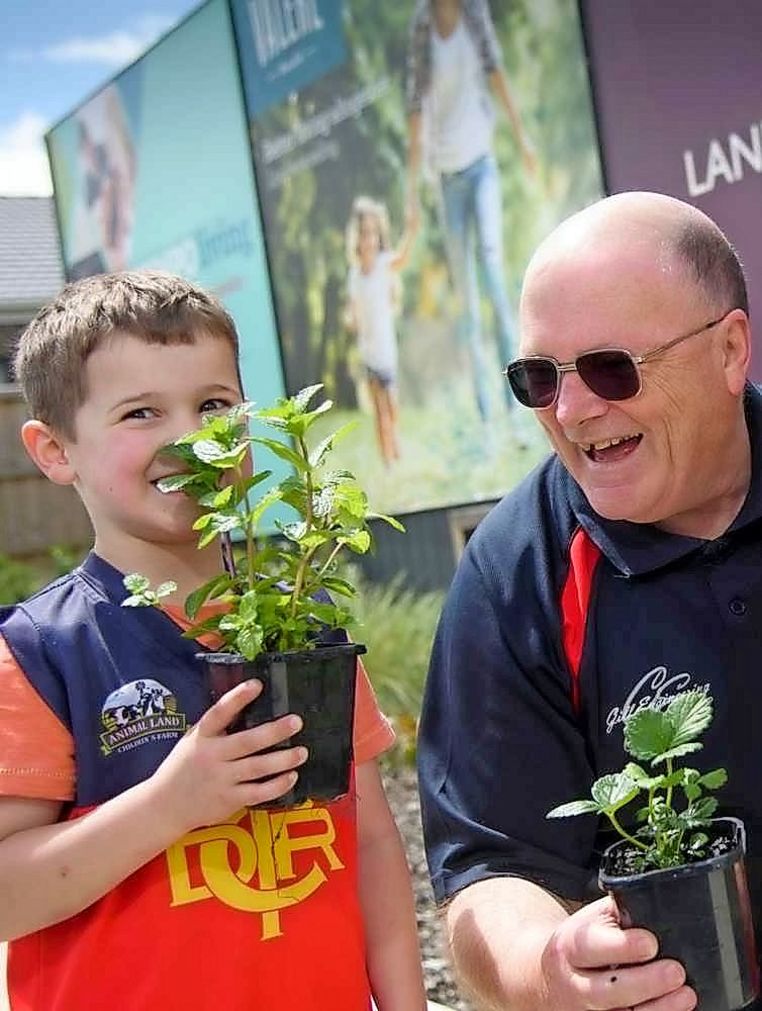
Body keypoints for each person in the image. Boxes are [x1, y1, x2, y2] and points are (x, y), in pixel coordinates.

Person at [0, 270, 427, 1011]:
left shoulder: (301, 628)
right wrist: (170, 805)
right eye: (141, 412)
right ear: (54, 449)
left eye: (214, 405)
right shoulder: (40, 653)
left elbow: (370, 842)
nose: (192, 439)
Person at [417, 191, 762, 1011]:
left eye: (612, 367)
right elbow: (490, 870)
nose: (572, 411)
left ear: (729, 350)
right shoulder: (514, 572)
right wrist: (549, 968)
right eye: (539, 379)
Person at [405, 0, 536, 426]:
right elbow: (415, 113)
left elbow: (495, 72)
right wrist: (411, 198)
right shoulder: (422, 27)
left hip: (481, 165)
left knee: (494, 276)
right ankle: (485, 417)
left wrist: (523, 139)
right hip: (447, 179)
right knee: (468, 302)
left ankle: (518, 407)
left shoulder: (473, 13)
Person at [345, 195, 418, 467]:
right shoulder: (355, 275)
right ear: (357, 237)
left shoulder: (384, 264)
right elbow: (353, 309)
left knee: (391, 406)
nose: (370, 240)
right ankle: (386, 459)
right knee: (379, 410)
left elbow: (403, 257)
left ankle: (395, 443)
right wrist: (350, 319)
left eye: (374, 233)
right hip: (368, 353)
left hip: (387, 352)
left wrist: (410, 231)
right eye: (365, 233)